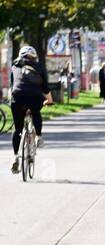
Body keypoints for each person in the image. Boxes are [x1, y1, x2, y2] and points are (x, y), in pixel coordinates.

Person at [9, 46, 52, 175]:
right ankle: (38, 137)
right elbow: (45, 88)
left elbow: (13, 85)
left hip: (17, 97)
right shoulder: (39, 67)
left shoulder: (15, 66)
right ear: (34, 57)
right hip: (34, 97)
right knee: (35, 112)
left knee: (17, 129)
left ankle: (16, 156)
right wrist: (49, 101)